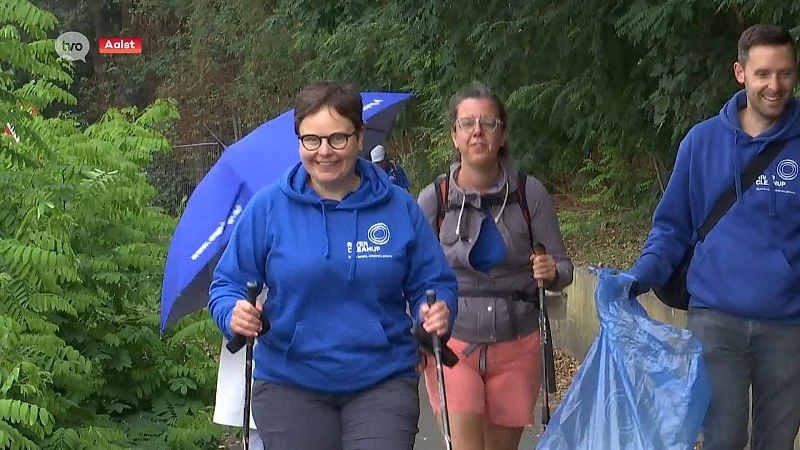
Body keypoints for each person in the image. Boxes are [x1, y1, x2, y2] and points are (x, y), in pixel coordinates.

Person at [207, 80, 459, 450]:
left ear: (360, 137)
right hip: (289, 382)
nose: (324, 151)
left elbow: (434, 282)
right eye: (312, 139)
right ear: (299, 141)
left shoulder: (399, 207)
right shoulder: (268, 207)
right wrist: (233, 313)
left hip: (382, 379)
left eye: (337, 139)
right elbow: (226, 284)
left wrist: (436, 311)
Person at [627, 24, 800, 450]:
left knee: (776, 441)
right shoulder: (701, 142)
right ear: (740, 73)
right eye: (763, 74)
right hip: (715, 320)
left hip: (788, 325)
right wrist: (637, 278)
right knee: (723, 437)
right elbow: (670, 228)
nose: (774, 86)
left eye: (785, 73)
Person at [417, 81, 574, 450]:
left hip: (517, 343)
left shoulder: (528, 192)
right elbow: (410, 275)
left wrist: (551, 271)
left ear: (502, 134)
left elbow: (563, 268)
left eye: (488, 123)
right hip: (454, 342)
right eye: (467, 123)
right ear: (454, 136)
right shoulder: (434, 199)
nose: (477, 132)